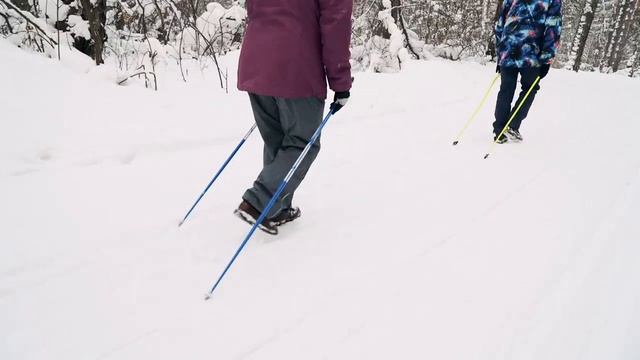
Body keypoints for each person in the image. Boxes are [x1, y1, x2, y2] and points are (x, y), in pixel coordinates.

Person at [234, 0, 353, 235]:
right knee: (302, 143)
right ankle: (260, 202)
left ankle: (277, 208)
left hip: (256, 62)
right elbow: (336, 24)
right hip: (296, 67)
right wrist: (340, 81)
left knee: (277, 141)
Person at [493, 0, 562, 143]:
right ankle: (512, 125)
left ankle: (499, 130)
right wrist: (547, 57)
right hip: (531, 52)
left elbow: (501, 22)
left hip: (508, 47)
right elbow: (553, 26)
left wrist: (500, 53)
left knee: (506, 89)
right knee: (530, 87)